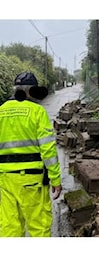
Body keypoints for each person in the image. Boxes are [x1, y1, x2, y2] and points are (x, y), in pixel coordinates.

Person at [0, 72, 62, 237]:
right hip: (32, 181)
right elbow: (48, 150)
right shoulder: (37, 112)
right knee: (39, 227)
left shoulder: (1, 111)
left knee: (9, 227)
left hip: (6, 180)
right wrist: (55, 179)